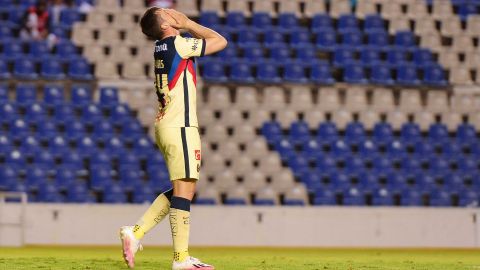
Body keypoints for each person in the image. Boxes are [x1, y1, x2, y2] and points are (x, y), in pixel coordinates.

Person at [119, 8, 227, 270]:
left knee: (184, 190)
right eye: (168, 12)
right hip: (180, 125)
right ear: (167, 23)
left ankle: (136, 232)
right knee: (185, 191)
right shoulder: (178, 43)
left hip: (168, 124)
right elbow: (220, 41)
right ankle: (180, 259)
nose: (174, 11)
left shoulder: (161, 47)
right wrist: (189, 23)